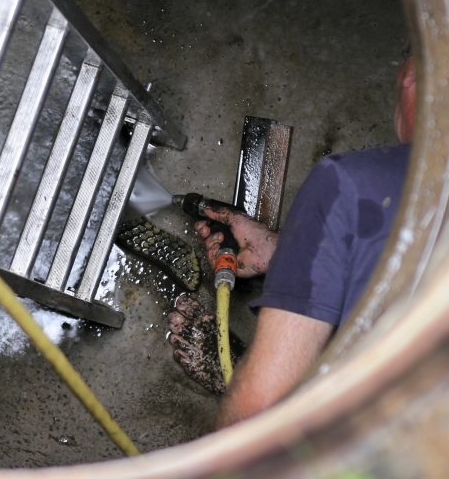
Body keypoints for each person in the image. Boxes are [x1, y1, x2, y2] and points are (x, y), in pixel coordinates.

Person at [168, 50, 417, 427]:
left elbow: (256, 413)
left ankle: (245, 376)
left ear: (410, 75)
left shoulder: (350, 183)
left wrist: (238, 380)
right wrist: (290, 257)